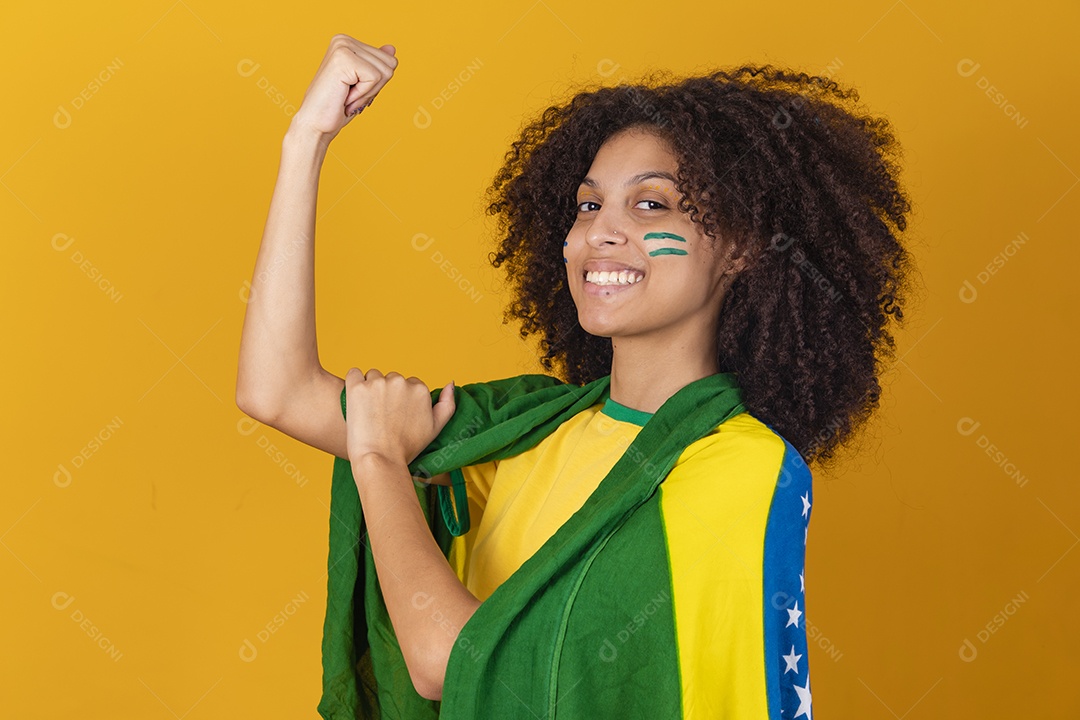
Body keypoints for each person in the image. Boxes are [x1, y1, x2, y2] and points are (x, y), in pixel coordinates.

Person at [236, 35, 915, 719]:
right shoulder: (527, 430)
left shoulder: (742, 469)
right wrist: (307, 139)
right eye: (589, 205)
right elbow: (277, 391)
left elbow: (452, 662)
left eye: (651, 205)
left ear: (738, 248)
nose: (600, 233)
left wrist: (379, 458)